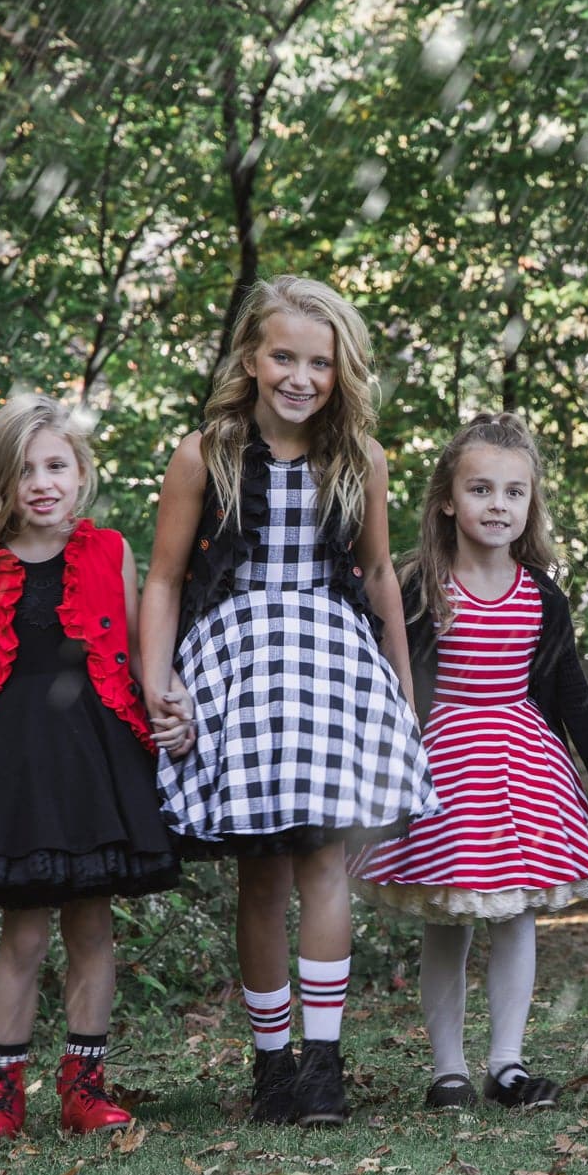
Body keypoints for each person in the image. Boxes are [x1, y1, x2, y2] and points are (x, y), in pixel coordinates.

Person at [141, 275, 438, 1128]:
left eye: (320, 361)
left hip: (333, 668)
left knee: (323, 861)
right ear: (251, 358)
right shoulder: (207, 453)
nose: (301, 376)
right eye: (284, 357)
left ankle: (324, 1063)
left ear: (341, 371)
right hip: (236, 667)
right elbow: (163, 580)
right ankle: (272, 1063)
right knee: (261, 873)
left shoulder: (361, 460)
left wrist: (403, 699)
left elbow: (381, 577)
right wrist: (160, 683)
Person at [0, 393, 180, 1140]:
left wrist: (165, 715)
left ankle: (85, 1085)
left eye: (56, 465)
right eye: (24, 471)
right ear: (1, 483)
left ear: (81, 473)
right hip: (12, 763)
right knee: (22, 933)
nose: (42, 482)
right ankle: (1, 1092)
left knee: (92, 924)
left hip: (94, 757)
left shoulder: (110, 549)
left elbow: (137, 651)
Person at [353, 415, 588, 1111]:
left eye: (514, 491)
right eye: (481, 488)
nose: (498, 504)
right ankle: (447, 1068)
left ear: (530, 503)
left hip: (524, 767)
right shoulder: (418, 587)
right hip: (443, 766)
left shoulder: (542, 594)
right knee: (449, 915)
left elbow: (571, 693)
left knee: (515, 916)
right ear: (448, 498)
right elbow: (387, 686)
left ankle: (506, 1063)